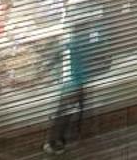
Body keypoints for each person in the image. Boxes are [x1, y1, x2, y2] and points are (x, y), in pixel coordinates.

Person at [44, 19, 104, 153]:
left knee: (65, 115)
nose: (89, 32)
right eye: (88, 29)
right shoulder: (83, 44)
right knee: (68, 115)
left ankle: (57, 142)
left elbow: (52, 60)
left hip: (72, 86)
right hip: (76, 85)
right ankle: (57, 142)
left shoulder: (70, 44)